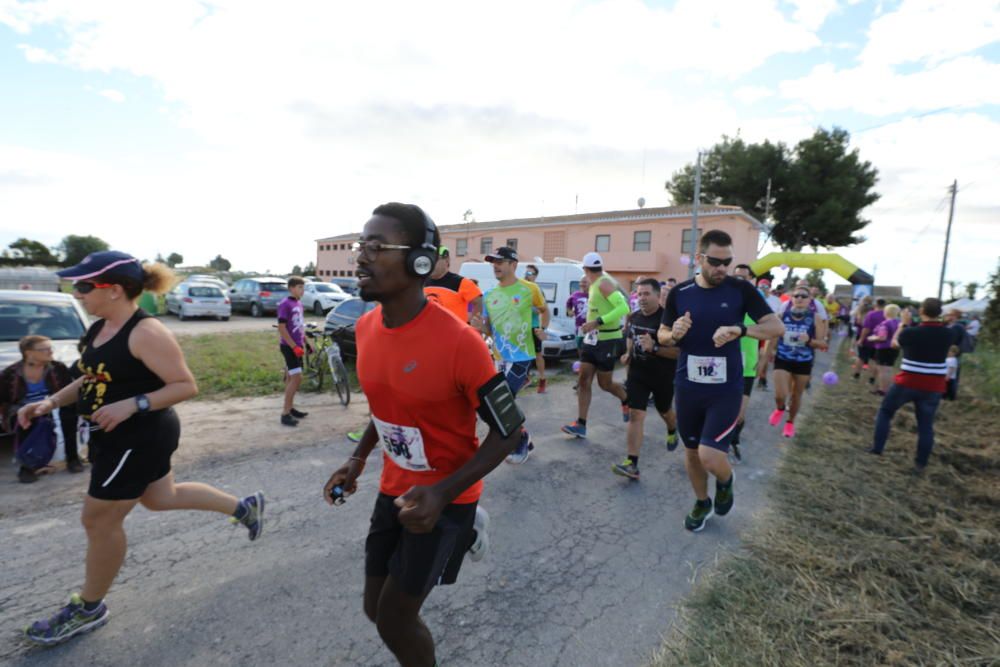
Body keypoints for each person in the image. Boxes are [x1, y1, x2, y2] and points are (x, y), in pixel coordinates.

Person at [18, 251, 263, 646]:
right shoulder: (100, 328)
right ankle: (244, 507)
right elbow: (90, 378)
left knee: (99, 521)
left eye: (83, 286)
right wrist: (49, 402)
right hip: (117, 437)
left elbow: (185, 385)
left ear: (113, 290)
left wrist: (134, 403)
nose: (76, 292)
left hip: (137, 438)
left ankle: (89, 607)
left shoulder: (146, 332)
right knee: (161, 497)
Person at [324, 203, 522, 667]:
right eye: (361, 246)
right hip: (395, 490)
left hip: (446, 498)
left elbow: (509, 432)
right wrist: (357, 460)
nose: (361, 258)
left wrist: (443, 492)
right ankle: (468, 532)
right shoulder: (367, 328)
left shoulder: (460, 344)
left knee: (395, 620)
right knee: (374, 608)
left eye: (376, 247)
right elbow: (390, 404)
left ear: (418, 261)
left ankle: (467, 525)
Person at [658, 230, 783, 532]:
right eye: (715, 262)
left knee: (710, 456)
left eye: (727, 262)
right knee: (691, 452)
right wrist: (673, 333)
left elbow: (775, 326)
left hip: (725, 390)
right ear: (699, 258)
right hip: (688, 387)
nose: (722, 269)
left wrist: (740, 330)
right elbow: (662, 336)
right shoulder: (680, 293)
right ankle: (702, 503)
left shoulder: (740, 290)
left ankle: (726, 481)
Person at [471, 246, 542, 463]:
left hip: (522, 356)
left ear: (513, 264)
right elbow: (491, 330)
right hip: (500, 358)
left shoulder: (529, 289)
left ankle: (518, 442)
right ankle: (524, 437)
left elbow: (543, 310)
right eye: (493, 262)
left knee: (505, 400)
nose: (496, 266)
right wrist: (480, 329)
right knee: (499, 403)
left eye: (500, 262)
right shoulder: (490, 294)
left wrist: (542, 329)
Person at [866, 298, 953, 473]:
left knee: (886, 411)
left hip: (908, 381)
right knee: (925, 425)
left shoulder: (911, 332)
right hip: (933, 385)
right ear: (940, 313)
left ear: (921, 311)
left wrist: (903, 324)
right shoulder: (949, 334)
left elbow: (894, 343)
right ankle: (920, 464)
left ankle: (877, 448)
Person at [611, 279, 679, 480]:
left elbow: (678, 353)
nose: (642, 298)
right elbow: (631, 338)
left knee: (664, 411)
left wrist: (655, 348)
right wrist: (628, 354)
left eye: (647, 294)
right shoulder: (633, 317)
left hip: (663, 376)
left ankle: (672, 428)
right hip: (638, 374)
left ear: (658, 296)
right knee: (635, 415)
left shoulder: (668, 320)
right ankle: (632, 463)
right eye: (639, 294)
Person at [562, 252, 630, 438]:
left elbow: (624, 308)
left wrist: (597, 321)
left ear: (585, 269)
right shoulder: (594, 284)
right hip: (591, 340)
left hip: (607, 340)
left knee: (605, 384)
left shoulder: (603, 283)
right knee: (584, 380)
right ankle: (581, 424)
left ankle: (626, 399)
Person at [1, 335, 84, 483]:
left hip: (52, 406)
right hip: (21, 409)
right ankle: (26, 467)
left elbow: (67, 393)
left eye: (50, 348)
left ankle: (72, 458)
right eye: (44, 349)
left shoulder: (58, 368)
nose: (50, 352)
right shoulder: (10, 373)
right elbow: (4, 400)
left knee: (69, 413)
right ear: (28, 353)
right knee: (29, 417)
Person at [766, 286, 825, 438]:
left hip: (803, 361)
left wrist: (809, 340)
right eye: (796, 295)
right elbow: (772, 337)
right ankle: (779, 408)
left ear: (809, 300)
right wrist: (768, 354)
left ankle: (790, 422)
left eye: (803, 296)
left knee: (796, 395)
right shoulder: (781, 315)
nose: (799, 298)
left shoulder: (816, 318)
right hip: (783, 358)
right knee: (781, 394)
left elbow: (822, 344)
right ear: (791, 299)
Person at [729, 265, 761, 462]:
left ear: (751, 280)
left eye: (744, 277)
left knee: (739, 414)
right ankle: (717, 446)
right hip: (723, 364)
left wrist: (764, 360)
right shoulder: (724, 301)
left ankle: (734, 440)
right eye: (736, 277)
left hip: (747, 366)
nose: (739, 280)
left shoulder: (756, 303)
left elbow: (772, 330)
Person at [277, 276, 308, 426]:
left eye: (303, 287)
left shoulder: (299, 304)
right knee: (297, 378)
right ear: (291, 288)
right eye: (300, 287)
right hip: (289, 347)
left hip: (298, 346)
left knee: (291, 378)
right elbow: (282, 328)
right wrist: (294, 347)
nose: (302, 290)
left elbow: (300, 326)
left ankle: (290, 408)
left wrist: (306, 343)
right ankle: (285, 414)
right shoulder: (285, 304)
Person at [424, 246, 482, 323]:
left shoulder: (461, 282)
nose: (431, 262)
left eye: (435, 259)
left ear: (447, 260)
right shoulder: (421, 282)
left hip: (455, 333)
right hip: (429, 331)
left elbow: (480, 302)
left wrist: (473, 326)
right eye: (429, 259)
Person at [522, 264, 550, 393]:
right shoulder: (519, 288)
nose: (527, 276)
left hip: (534, 326)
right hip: (521, 327)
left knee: (538, 354)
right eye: (525, 273)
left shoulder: (537, 290)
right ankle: (525, 378)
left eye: (530, 274)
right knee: (522, 354)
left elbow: (545, 311)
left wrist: (543, 328)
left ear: (535, 276)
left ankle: (542, 379)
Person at [755, 278, 783, 390]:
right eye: (761, 287)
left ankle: (762, 377)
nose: (763, 289)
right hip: (755, 330)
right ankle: (757, 376)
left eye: (765, 287)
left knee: (765, 355)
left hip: (769, 332)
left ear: (770, 288)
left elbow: (779, 317)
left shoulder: (776, 300)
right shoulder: (754, 297)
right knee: (757, 354)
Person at [867, 303, 901, 396]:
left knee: (882, 370)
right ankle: (886, 389)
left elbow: (882, 337)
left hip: (884, 348)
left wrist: (872, 338)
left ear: (886, 312)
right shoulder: (899, 323)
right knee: (889, 369)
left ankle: (882, 390)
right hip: (894, 348)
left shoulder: (885, 323)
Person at [858, 297, 886, 385]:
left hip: (869, 340)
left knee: (861, 357)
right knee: (875, 361)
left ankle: (856, 374)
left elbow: (866, 329)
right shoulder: (887, 315)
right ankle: (872, 379)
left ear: (876, 304)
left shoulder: (871, 314)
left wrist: (861, 339)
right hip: (880, 342)